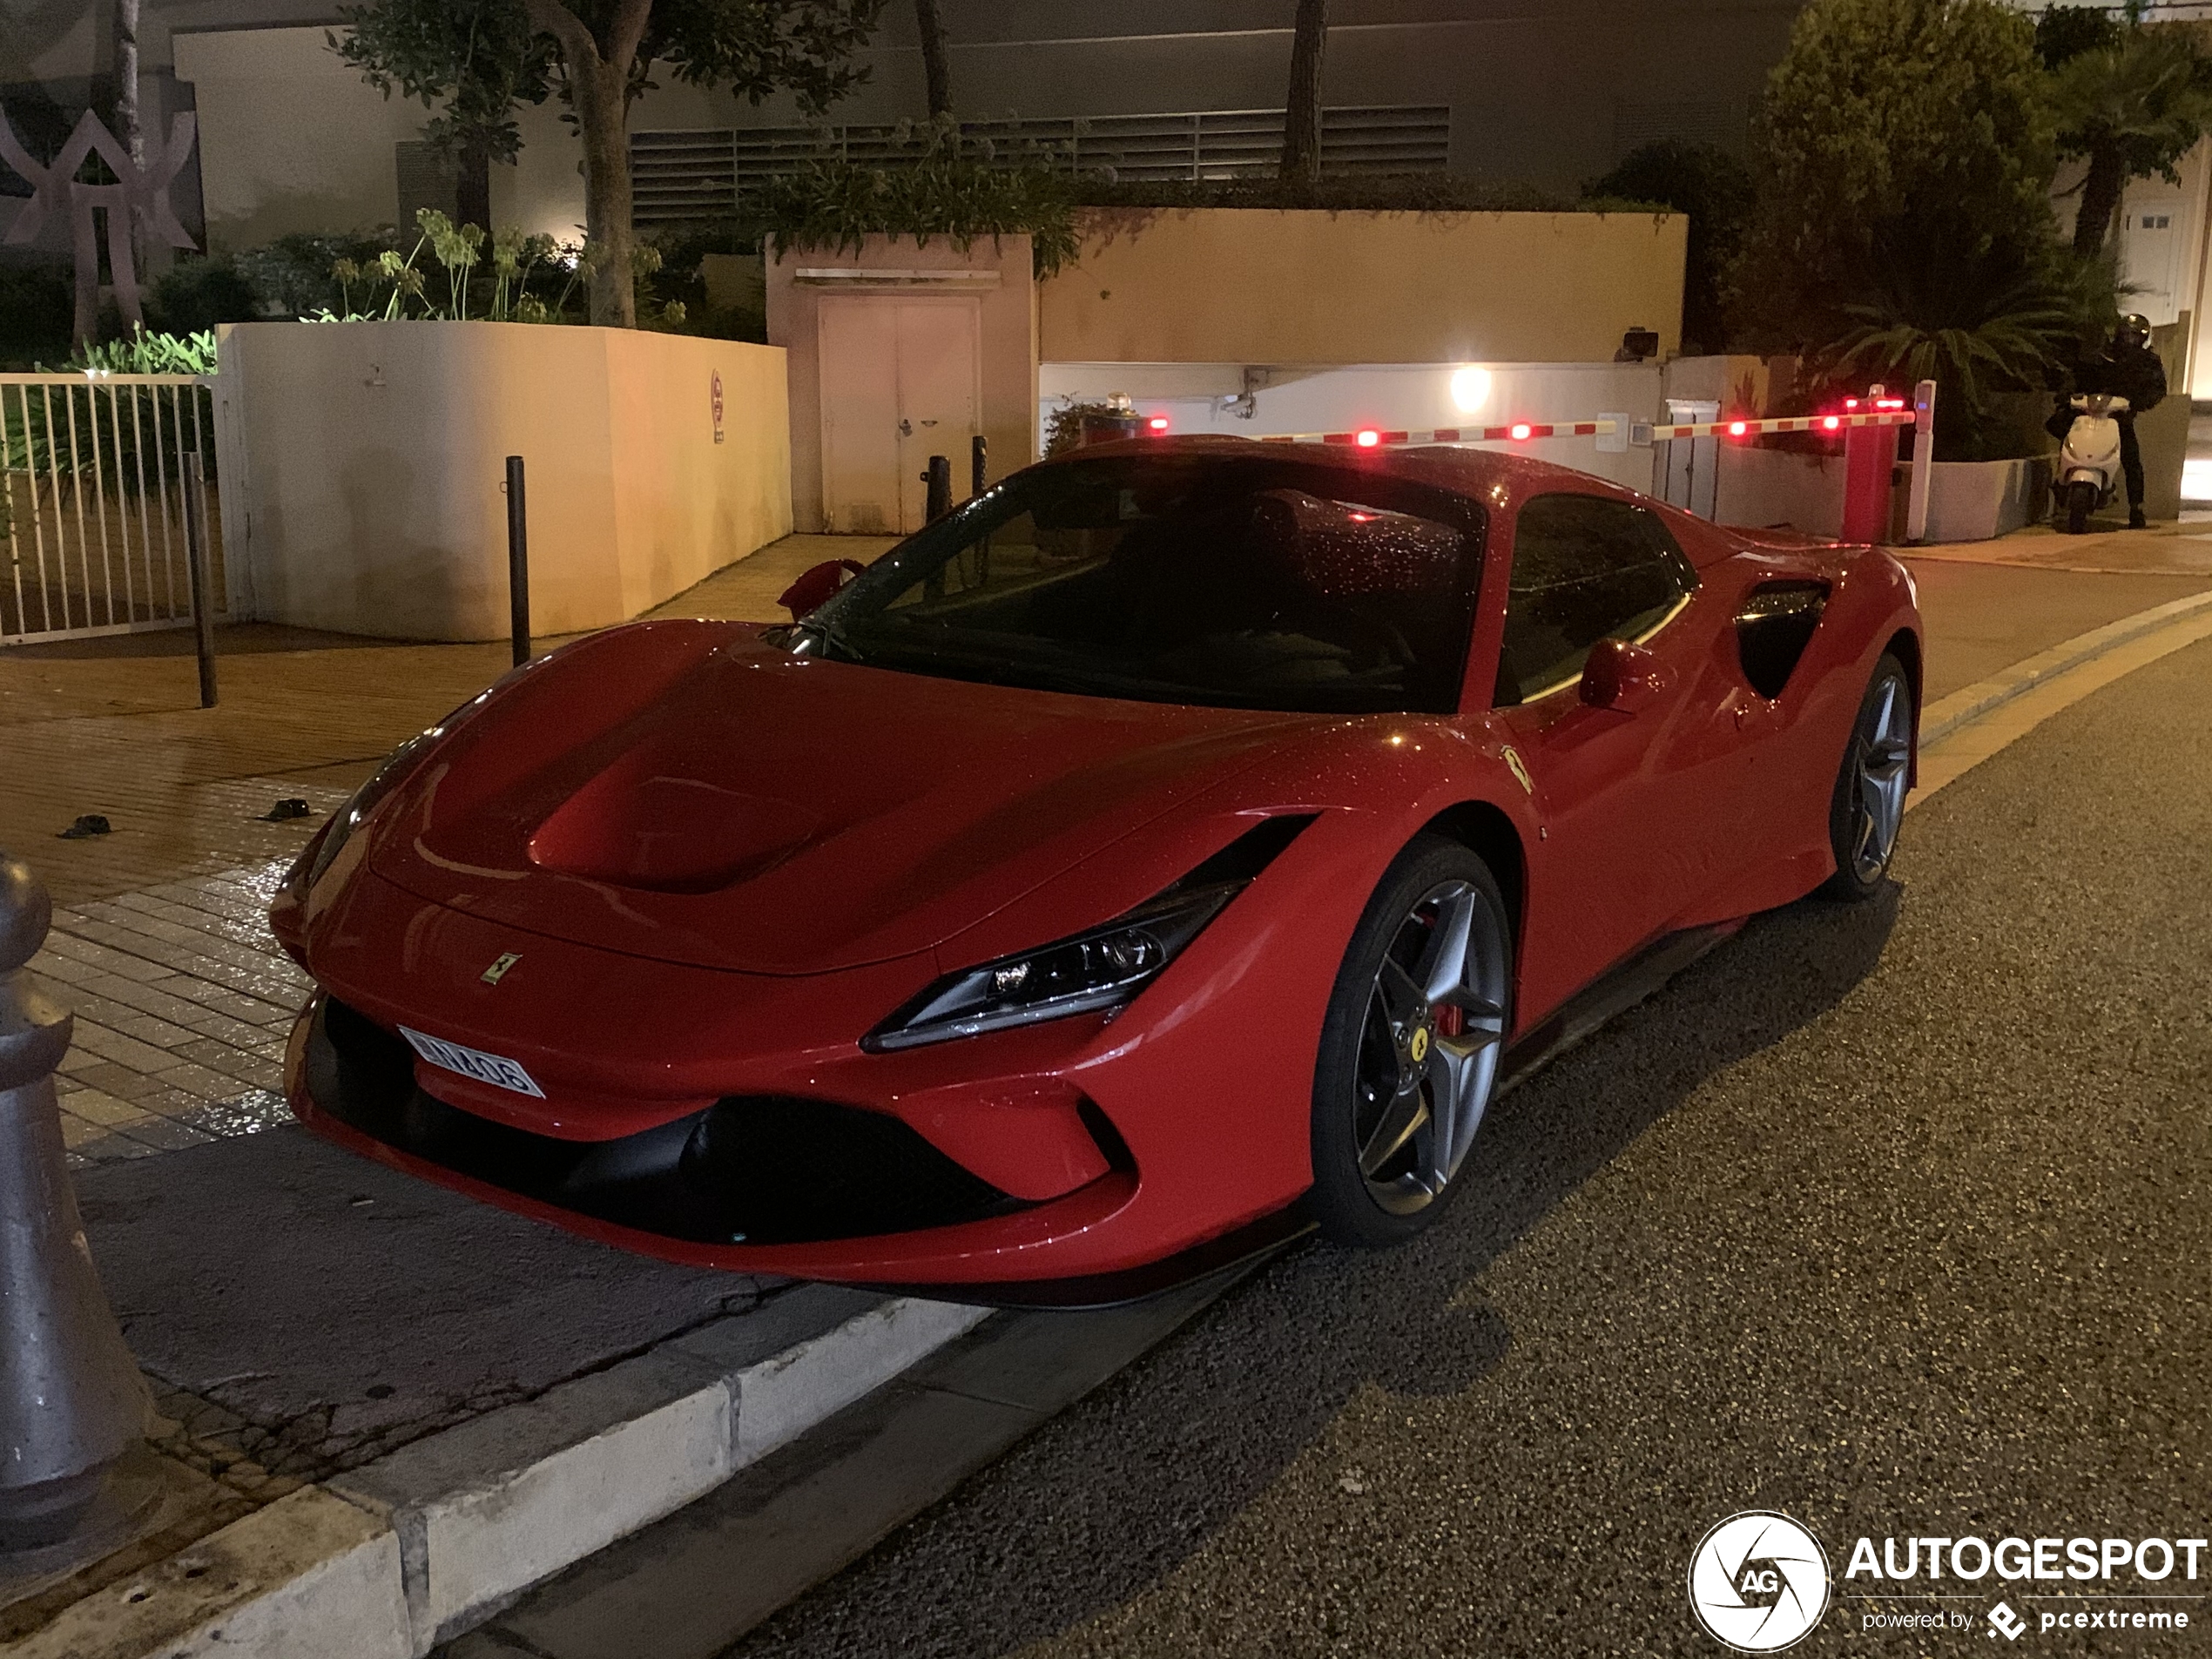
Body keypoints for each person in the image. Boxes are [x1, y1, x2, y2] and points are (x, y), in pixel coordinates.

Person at [2049, 314, 2166, 529]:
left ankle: (2136, 508)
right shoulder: (2102, 354)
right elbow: (2078, 373)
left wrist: (2136, 403)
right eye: (2127, 334)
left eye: (2136, 336)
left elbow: (2157, 389)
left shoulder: (2148, 362)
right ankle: (2060, 482)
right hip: (2088, 409)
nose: (2131, 340)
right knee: (2066, 436)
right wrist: (2070, 394)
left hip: (2119, 415)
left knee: (2131, 459)